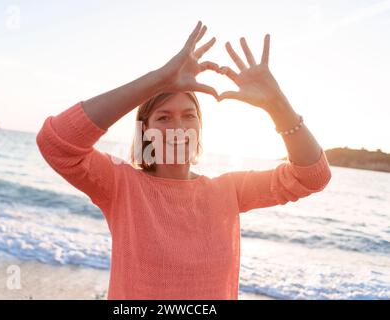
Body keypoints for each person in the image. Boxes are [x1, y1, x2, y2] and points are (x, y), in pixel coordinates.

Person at [36, 21, 331, 300]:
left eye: (188, 115)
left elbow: (312, 176)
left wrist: (277, 104)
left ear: (199, 126)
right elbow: (56, 142)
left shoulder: (229, 190)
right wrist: (158, 80)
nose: (178, 126)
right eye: (163, 117)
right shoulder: (120, 184)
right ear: (146, 130)